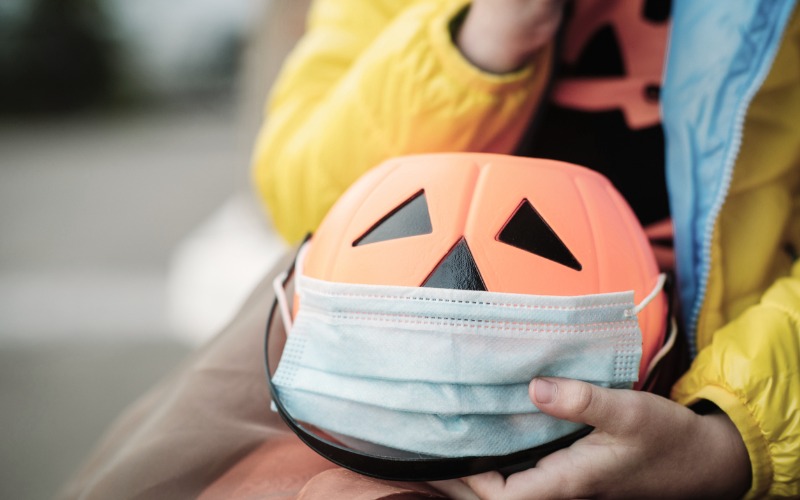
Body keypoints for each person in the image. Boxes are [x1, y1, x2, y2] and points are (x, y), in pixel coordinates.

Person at [249, 0, 800, 497]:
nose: (459, 264)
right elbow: (303, 201)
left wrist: (727, 439)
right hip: (380, 387)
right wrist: (477, 41)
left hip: (716, 383)